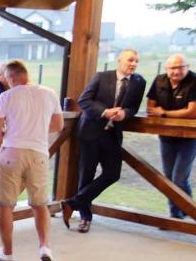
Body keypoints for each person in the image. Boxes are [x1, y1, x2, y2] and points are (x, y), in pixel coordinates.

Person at [0, 60, 63, 261]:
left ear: (11, 77)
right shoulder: (49, 93)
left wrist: (10, 131)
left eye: (6, 78)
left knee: (6, 205)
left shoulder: (6, 96)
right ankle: (44, 246)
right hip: (38, 152)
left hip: (12, 152)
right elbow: (58, 124)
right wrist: (38, 130)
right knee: (40, 204)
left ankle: (7, 252)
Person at [61, 49, 145, 233]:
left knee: (113, 173)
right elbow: (84, 100)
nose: (133, 64)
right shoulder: (102, 76)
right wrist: (105, 112)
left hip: (112, 134)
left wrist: (124, 114)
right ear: (119, 61)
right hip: (90, 132)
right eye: (130, 60)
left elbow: (133, 107)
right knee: (86, 175)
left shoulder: (139, 82)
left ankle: (71, 203)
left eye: (136, 61)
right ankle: (85, 218)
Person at [146, 54, 196, 219]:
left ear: (188, 67)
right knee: (169, 178)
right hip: (166, 137)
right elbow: (151, 109)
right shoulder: (159, 80)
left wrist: (164, 113)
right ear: (167, 69)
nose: (177, 71)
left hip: (190, 138)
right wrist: (163, 113)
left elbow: (193, 113)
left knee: (179, 178)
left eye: (180, 67)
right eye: (173, 68)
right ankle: (185, 211)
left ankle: (179, 214)